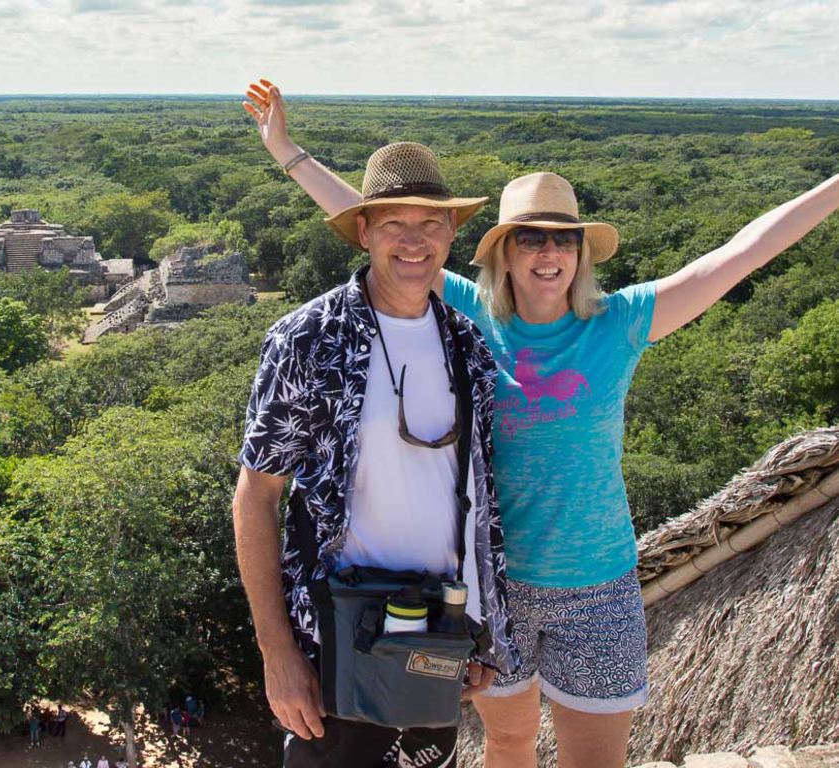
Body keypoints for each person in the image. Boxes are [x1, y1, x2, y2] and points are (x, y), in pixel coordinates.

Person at [243, 80, 839, 768]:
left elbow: (742, 254)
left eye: (564, 239)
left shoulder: (620, 324)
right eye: (530, 237)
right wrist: (288, 153)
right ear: (504, 251)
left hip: (600, 585)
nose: (548, 252)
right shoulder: (471, 318)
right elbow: (393, 229)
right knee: (509, 741)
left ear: (582, 253)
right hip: (497, 589)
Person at [232, 136, 520, 767]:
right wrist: (276, 653)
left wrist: (474, 631)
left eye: (430, 223)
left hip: (433, 637)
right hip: (339, 635)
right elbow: (256, 496)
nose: (413, 241)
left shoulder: (466, 343)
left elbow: (467, 497)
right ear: (363, 231)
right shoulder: (308, 339)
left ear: (451, 234)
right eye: (394, 223)